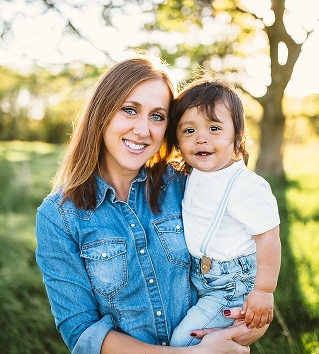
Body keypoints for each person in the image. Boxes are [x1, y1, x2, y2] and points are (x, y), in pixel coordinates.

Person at [35, 56, 266, 354]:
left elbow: (246, 262)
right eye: (129, 110)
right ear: (101, 114)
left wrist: (250, 322)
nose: (143, 130)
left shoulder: (187, 185)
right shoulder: (58, 217)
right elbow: (82, 333)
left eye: (157, 116)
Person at [167, 78, 281, 346]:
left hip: (232, 286)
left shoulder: (244, 184)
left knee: (183, 342)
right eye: (189, 130)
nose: (201, 138)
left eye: (214, 128)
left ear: (237, 134)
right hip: (201, 275)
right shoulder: (194, 172)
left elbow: (268, 237)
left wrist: (264, 291)